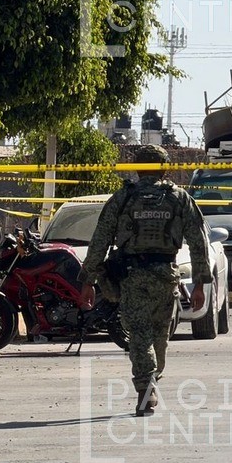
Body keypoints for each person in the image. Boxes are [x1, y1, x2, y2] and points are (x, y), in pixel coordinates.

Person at [79, 145, 210, 416]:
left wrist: (87, 280)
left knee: (140, 336)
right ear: (164, 167)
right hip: (166, 277)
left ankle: (146, 386)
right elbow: (199, 242)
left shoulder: (123, 199)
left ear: (137, 168)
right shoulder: (179, 198)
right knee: (159, 336)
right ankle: (148, 385)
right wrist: (200, 283)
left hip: (133, 277)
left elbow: (100, 240)